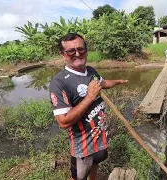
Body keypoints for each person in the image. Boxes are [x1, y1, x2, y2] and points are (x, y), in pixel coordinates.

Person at [49, 33, 128, 180]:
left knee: (95, 164)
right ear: (62, 54)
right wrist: (90, 97)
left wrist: (119, 81)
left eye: (81, 49)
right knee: (78, 177)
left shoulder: (91, 71)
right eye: (71, 51)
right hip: (82, 145)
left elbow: (103, 84)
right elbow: (63, 122)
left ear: (86, 50)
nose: (77, 54)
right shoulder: (59, 83)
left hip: (100, 136)